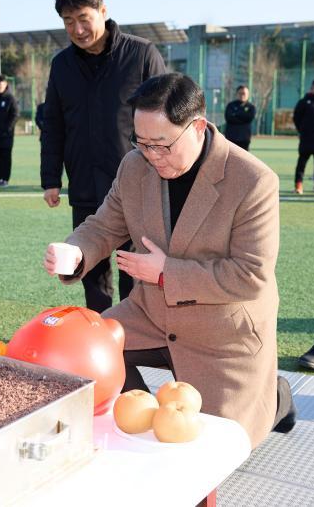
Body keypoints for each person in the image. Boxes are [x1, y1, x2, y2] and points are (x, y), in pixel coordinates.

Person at [43, 73, 294, 449]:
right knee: (78, 352)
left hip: (223, 333)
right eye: (141, 143)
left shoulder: (254, 181)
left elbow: (250, 276)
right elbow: (104, 224)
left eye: (162, 145)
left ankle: (275, 397)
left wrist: (165, 273)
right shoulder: (134, 166)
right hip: (151, 313)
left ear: (197, 127)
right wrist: (78, 251)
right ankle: (139, 419)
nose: (152, 156)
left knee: (211, 449)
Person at [40, 0, 166, 313]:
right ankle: (98, 328)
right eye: (68, 22)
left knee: (134, 269)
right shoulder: (62, 66)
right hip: (84, 182)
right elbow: (52, 123)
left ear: (103, 10)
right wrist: (50, 178)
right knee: (89, 264)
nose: (77, 29)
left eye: (83, 18)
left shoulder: (141, 55)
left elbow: (167, 118)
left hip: (137, 185)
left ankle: (134, 333)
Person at [224, 85, 257, 150]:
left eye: (244, 93)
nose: (242, 95)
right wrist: (243, 117)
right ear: (237, 94)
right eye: (240, 93)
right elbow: (228, 118)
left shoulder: (251, 107)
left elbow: (249, 118)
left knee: (244, 159)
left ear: (248, 94)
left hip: (244, 138)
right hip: (231, 137)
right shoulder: (230, 105)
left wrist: (236, 115)